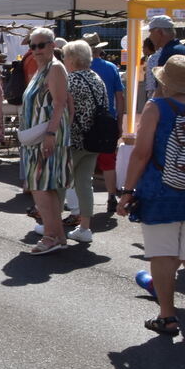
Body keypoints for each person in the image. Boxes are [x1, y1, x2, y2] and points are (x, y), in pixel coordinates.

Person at [117, 56, 185, 337]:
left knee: (162, 253)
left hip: (162, 191)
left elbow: (142, 153)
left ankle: (168, 317)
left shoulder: (156, 107)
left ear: (165, 82)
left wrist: (127, 191)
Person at [20, 28, 73, 255]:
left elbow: (61, 103)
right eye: (33, 46)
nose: (36, 50)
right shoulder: (42, 68)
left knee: (40, 187)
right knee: (44, 187)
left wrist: (50, 134)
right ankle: (57, 236)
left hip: (47, 137)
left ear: (52, 46)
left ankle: (50, 236)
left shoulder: (55, 68)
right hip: (38, 137)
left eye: (41, 45)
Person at [61, 40, 106, 243]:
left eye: (65, 56)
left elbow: (62, 109)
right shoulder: (97, 79)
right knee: (85, 184)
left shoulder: (71, 79)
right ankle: (85, 228)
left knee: (59, 182)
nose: (64, 60)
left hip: (74, 139)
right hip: (94, 139)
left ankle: (51, 226)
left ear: (72, 58)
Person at [83, 33, 125, 213]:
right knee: (108, 162)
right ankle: (111, 196)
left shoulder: (80, 68)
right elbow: (120, 97)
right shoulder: (111, 68)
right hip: (108, 119)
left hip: (85, 120)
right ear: (99, 49)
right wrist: (120, 121)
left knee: (84, 161)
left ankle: (83, 200)